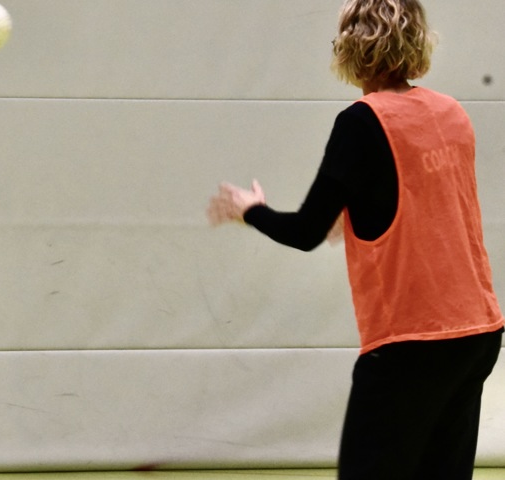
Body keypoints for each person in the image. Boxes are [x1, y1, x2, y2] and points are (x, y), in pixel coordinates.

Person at [206, 1, 504, 478]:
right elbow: (425, 205)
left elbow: (304, 232)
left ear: (351, 47)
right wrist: (351, 217)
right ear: (418, 42)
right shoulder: (453, 114)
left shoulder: (361, 123)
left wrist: (251, 211)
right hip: (477, 334)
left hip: (410, 343)